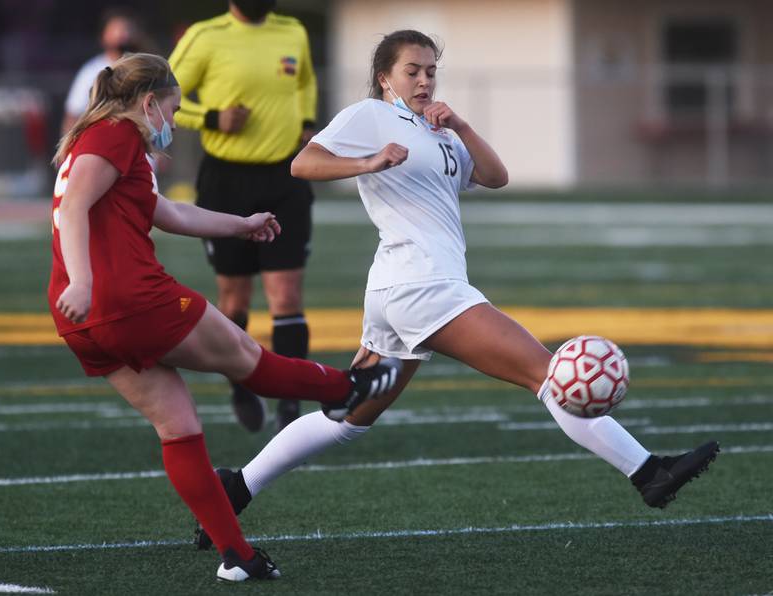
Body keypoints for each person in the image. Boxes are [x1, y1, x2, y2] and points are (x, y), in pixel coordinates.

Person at [194, 30, 720, 551]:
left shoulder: (438, 130)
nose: (423, 80)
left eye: (430, 71)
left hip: (403, 287)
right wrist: (367, 163)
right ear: (385, 78)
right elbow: (303, 163)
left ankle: (234, 488)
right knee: (548, 372)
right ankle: (648, 472)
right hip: (423, 285)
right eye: (412, 71)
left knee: (347, 419)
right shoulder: (371, 116)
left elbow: (496, 176)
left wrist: (461, 125)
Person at [48, 52, 401, 583]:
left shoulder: (99, 139)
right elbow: (74, 207)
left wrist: (241, 225)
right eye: (173, 108)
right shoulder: (118, 135)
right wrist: (84, 278)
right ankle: (349, 388)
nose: (173, 121)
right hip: (130, 299)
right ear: (149, 103)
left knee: (178, 427)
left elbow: (169, 214)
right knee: (246, 358)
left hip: (82, 323)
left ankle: (237, 556)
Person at [168, 0, 318, 434]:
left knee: (286, 296)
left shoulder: (293, 31)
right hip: (225, 183)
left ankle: (291, 403)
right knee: (233, 300)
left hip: (285, 176)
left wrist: (306, 120)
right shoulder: (205, 36)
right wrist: (213, 117)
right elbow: (163, 95)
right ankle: (242, 382)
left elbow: (306, 81)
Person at [61, 7, 149, 135]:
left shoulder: (145, 69)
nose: (123, 35)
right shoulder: (92, 71)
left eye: (127, 29)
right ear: (103, 36)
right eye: (116, 30)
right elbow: (73, 114)